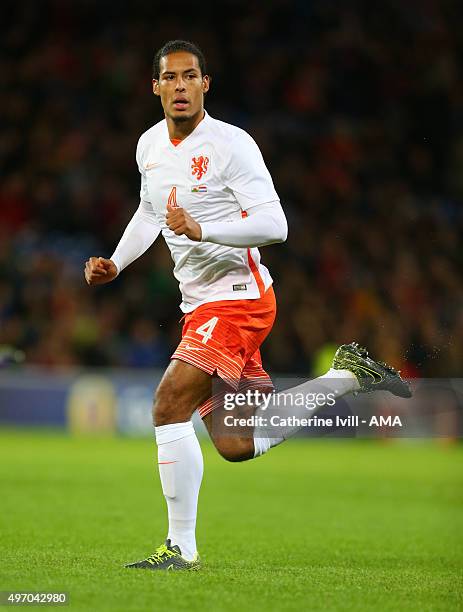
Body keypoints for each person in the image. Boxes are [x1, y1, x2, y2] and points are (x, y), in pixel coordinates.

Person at [84, 40, 411, 571]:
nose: (181, 86)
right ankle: (346, 375)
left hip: (238, 299)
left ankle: (180, 549)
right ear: (156, 87)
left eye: (191, 76)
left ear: (205, 85)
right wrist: (117, 264)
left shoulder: (232, 145)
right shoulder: (148, 146)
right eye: (171, 78)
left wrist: (203, 228)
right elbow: (148, 215)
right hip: (201, 305)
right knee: (236, 442)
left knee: (169, 405)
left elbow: (276, 226)